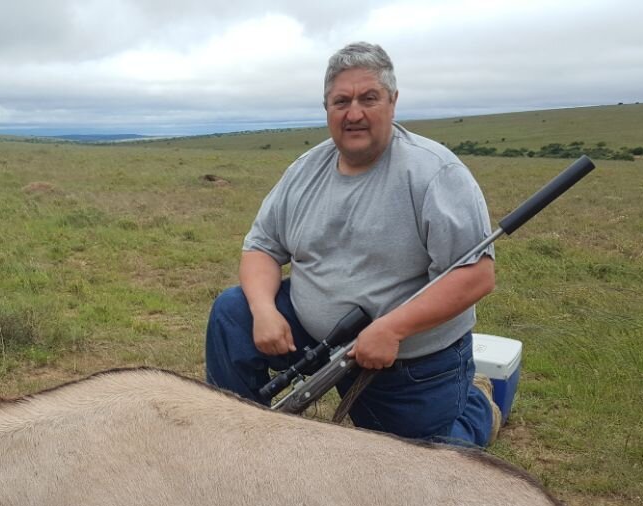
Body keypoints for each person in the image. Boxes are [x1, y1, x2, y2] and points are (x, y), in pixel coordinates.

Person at [205, 41, 499, 446]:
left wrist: (393, 329)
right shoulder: (304, 171)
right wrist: (263, 311)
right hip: (315, 337)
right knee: (232, 312)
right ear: (327, 108)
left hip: (406, 358)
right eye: (341, 101)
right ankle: (238, 439)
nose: (354, 113)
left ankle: (478, 403)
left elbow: (476, 276)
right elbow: (262, 247)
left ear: (393, 102)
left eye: (369, 98)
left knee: (426, 469)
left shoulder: (436, 173)